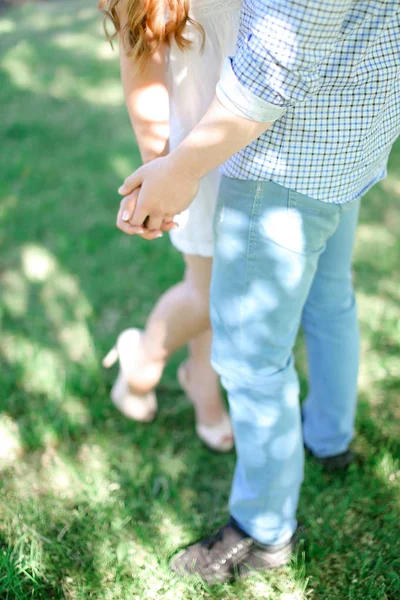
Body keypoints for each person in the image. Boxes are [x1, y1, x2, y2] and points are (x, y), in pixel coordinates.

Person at [116, 0, 400, 584]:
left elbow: (273, 66)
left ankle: (263, 528)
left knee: (251, 359)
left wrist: (179, 169)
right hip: (345, 143)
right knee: (330, 302)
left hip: (280, 158)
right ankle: (328, 437)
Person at [100, 0, 241, 451]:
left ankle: (203, 382)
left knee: (230, 284)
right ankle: (140, 362)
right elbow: (141, 61)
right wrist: (158, 170)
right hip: (195, 154)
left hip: (262, 137)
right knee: (210, 291)